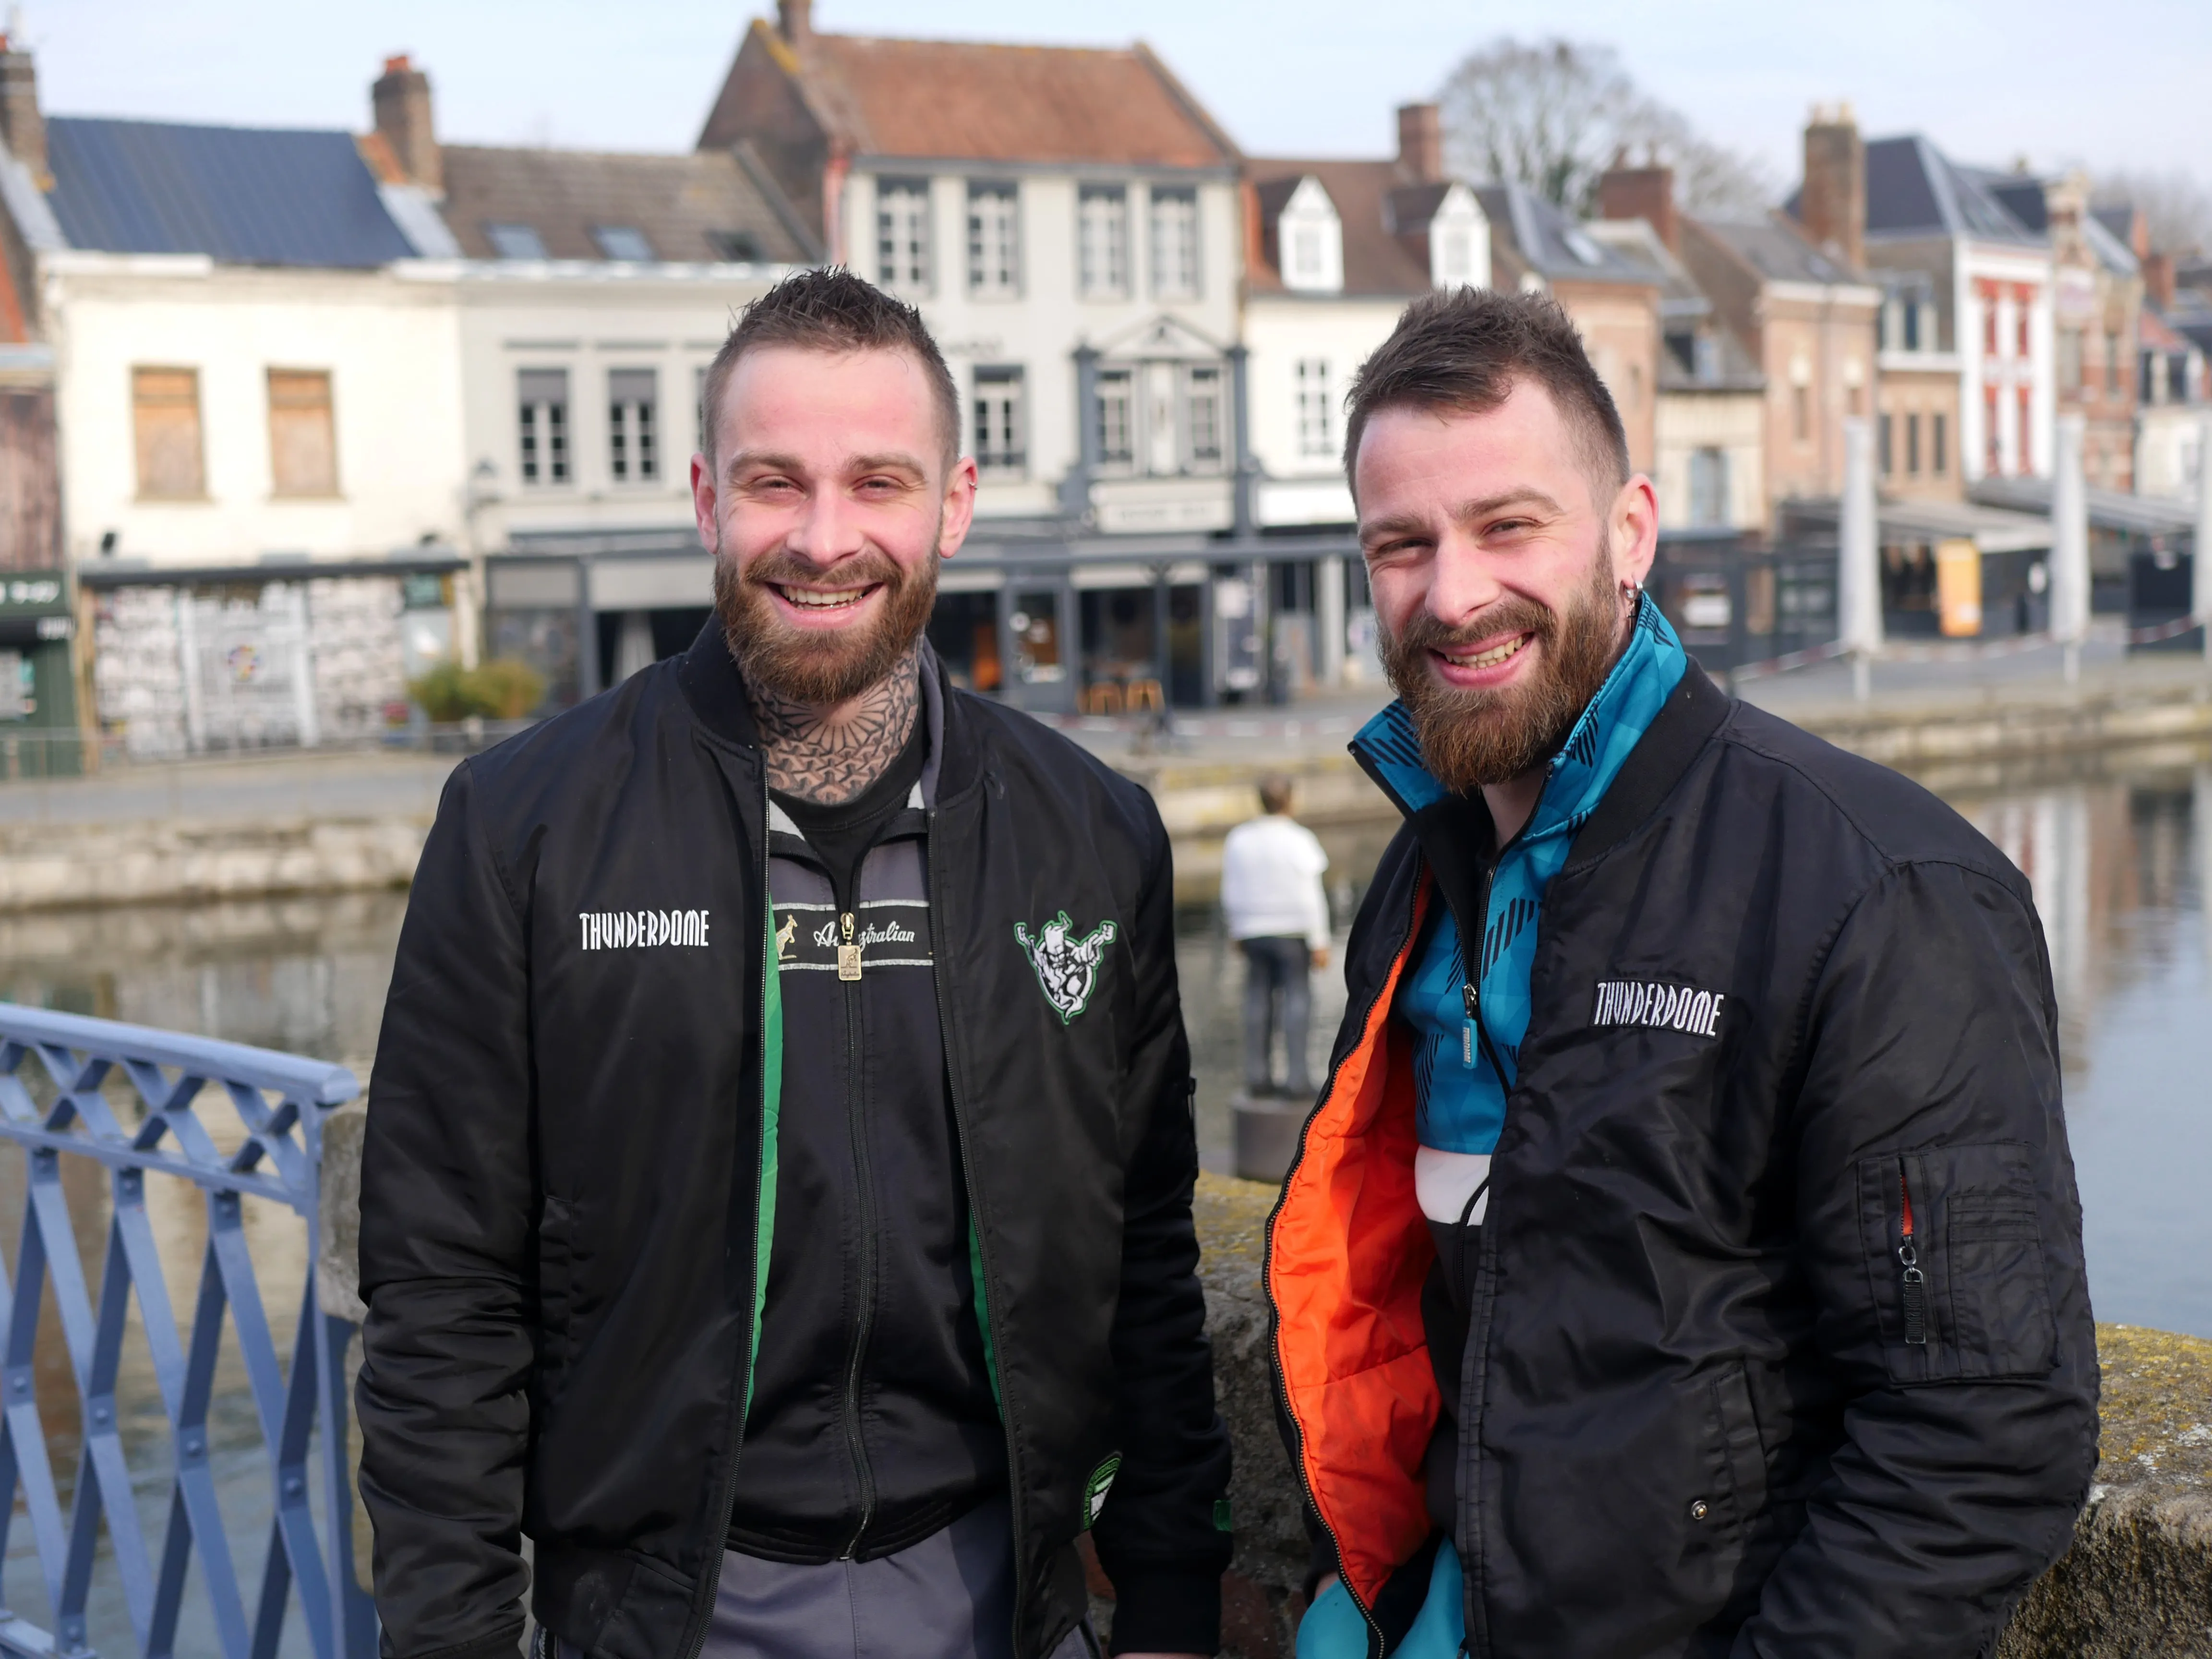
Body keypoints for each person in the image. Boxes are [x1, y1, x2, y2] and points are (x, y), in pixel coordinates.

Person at [356, 268, 1231, 1659]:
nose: (825, 538)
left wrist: (1175, 1605)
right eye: (777, 483)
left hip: (1006, 1600)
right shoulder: (525, 827)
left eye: (878, 482)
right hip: (665, 1612)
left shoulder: (1090, 832)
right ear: (707, 498)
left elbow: (1147, 1258)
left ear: (953, 504)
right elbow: (441, 1291)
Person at [1267, 287, 2097, 1659]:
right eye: (1400, 545)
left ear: (1631, 534)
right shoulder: (1424, 875)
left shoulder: (1875, 885)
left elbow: (1984, 1427)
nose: (1452, 591)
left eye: (1508, 526)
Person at [1219, 773, 1331, 1099]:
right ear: (1290, 800)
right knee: (1297, 1001)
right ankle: (1297, 1078)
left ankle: (1258, 1076)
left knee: (1256, 1000)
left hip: (1253, 929)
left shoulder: (1239, 839)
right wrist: (1320, 939)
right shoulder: (1300, 839)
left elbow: (1230, 888)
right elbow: (1312, 893)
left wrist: (1235, 929)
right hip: (1293, 929)